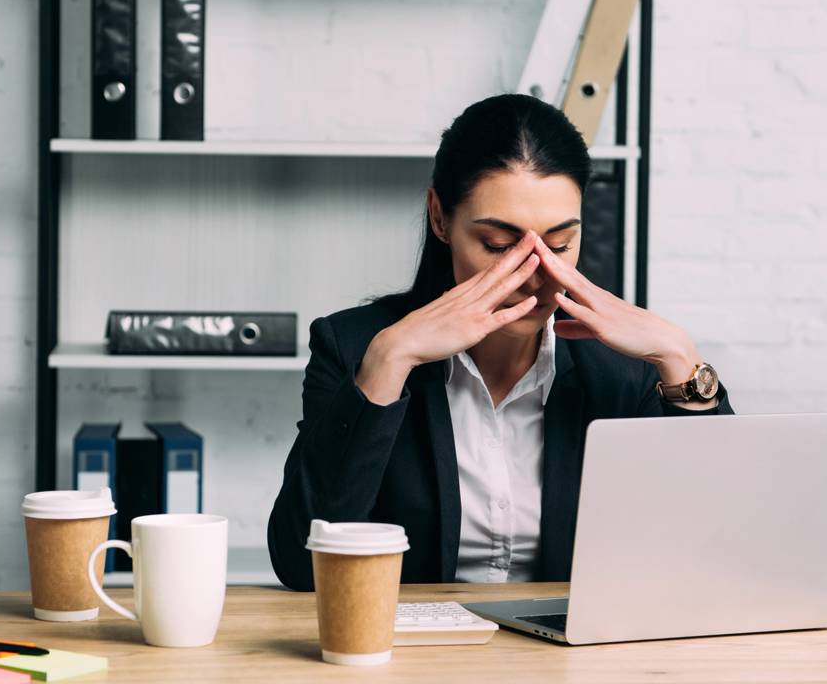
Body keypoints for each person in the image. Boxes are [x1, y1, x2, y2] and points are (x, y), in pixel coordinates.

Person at [267, 94, 733, 592]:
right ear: (440, 218)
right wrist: (390, 360)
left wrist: (680, 357)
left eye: (559, 246)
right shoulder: (355, 346)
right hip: (411, 660)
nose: (533, 275)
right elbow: (301, 564)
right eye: (498, 245)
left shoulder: (625, 367)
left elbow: (719, 553)